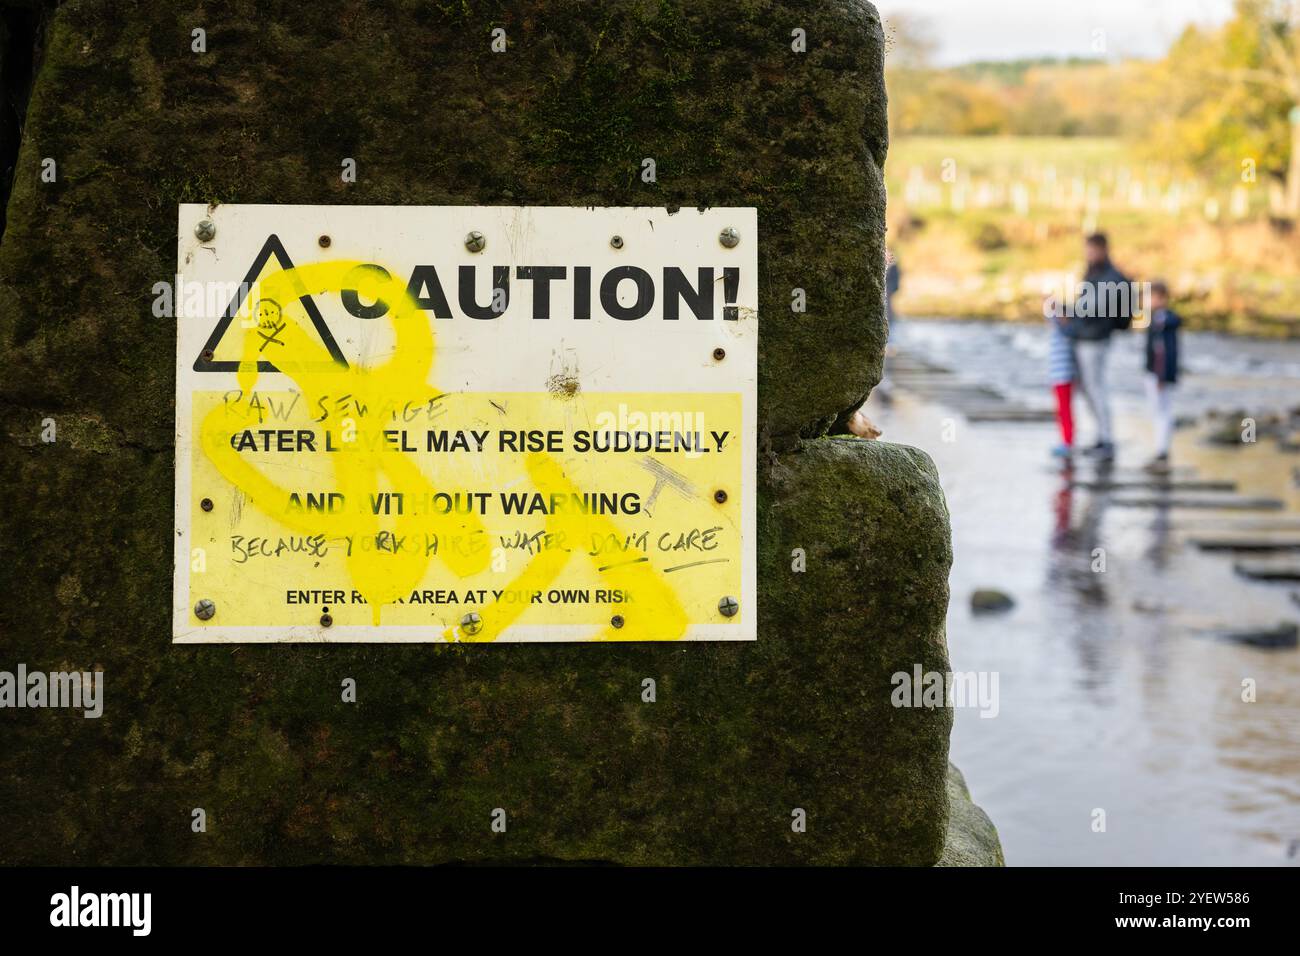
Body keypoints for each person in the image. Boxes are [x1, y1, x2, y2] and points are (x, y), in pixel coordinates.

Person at [1068, 233, 1133, 461]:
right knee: (1090, 389)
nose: (1088, 254)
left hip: (1095, 339)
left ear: (1102, 249)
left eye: (1091, 249)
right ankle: (1101, 437)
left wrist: (1067, 313)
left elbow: (1091, 308)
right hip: (1087, 337)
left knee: (1096, 389)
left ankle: (1106, 440)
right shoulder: (1096, 272)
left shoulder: (1110, 276)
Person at [1143, 280, 1181, 473]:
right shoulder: (1158, 319)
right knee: (1160, 412)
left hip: (1160, 375)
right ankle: (1161, 451)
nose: (1147, 300)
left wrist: (1159, 376)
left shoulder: (1161, 321)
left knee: (1162, 413)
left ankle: (1162, 452)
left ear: (1161, 298)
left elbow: (1161, 351)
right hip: (1159, 373)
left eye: (1150, 297)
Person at [1045, 294, 1076, 457]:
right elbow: (1049, 315)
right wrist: (1051, 303)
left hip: (1064, 376)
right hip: (1057, 376)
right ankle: (1066, 440)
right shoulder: (1059, 328)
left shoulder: (1067, 332)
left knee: (1065, 410)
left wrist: (1054, 304)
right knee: (1062, 410)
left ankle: (1068, 442)